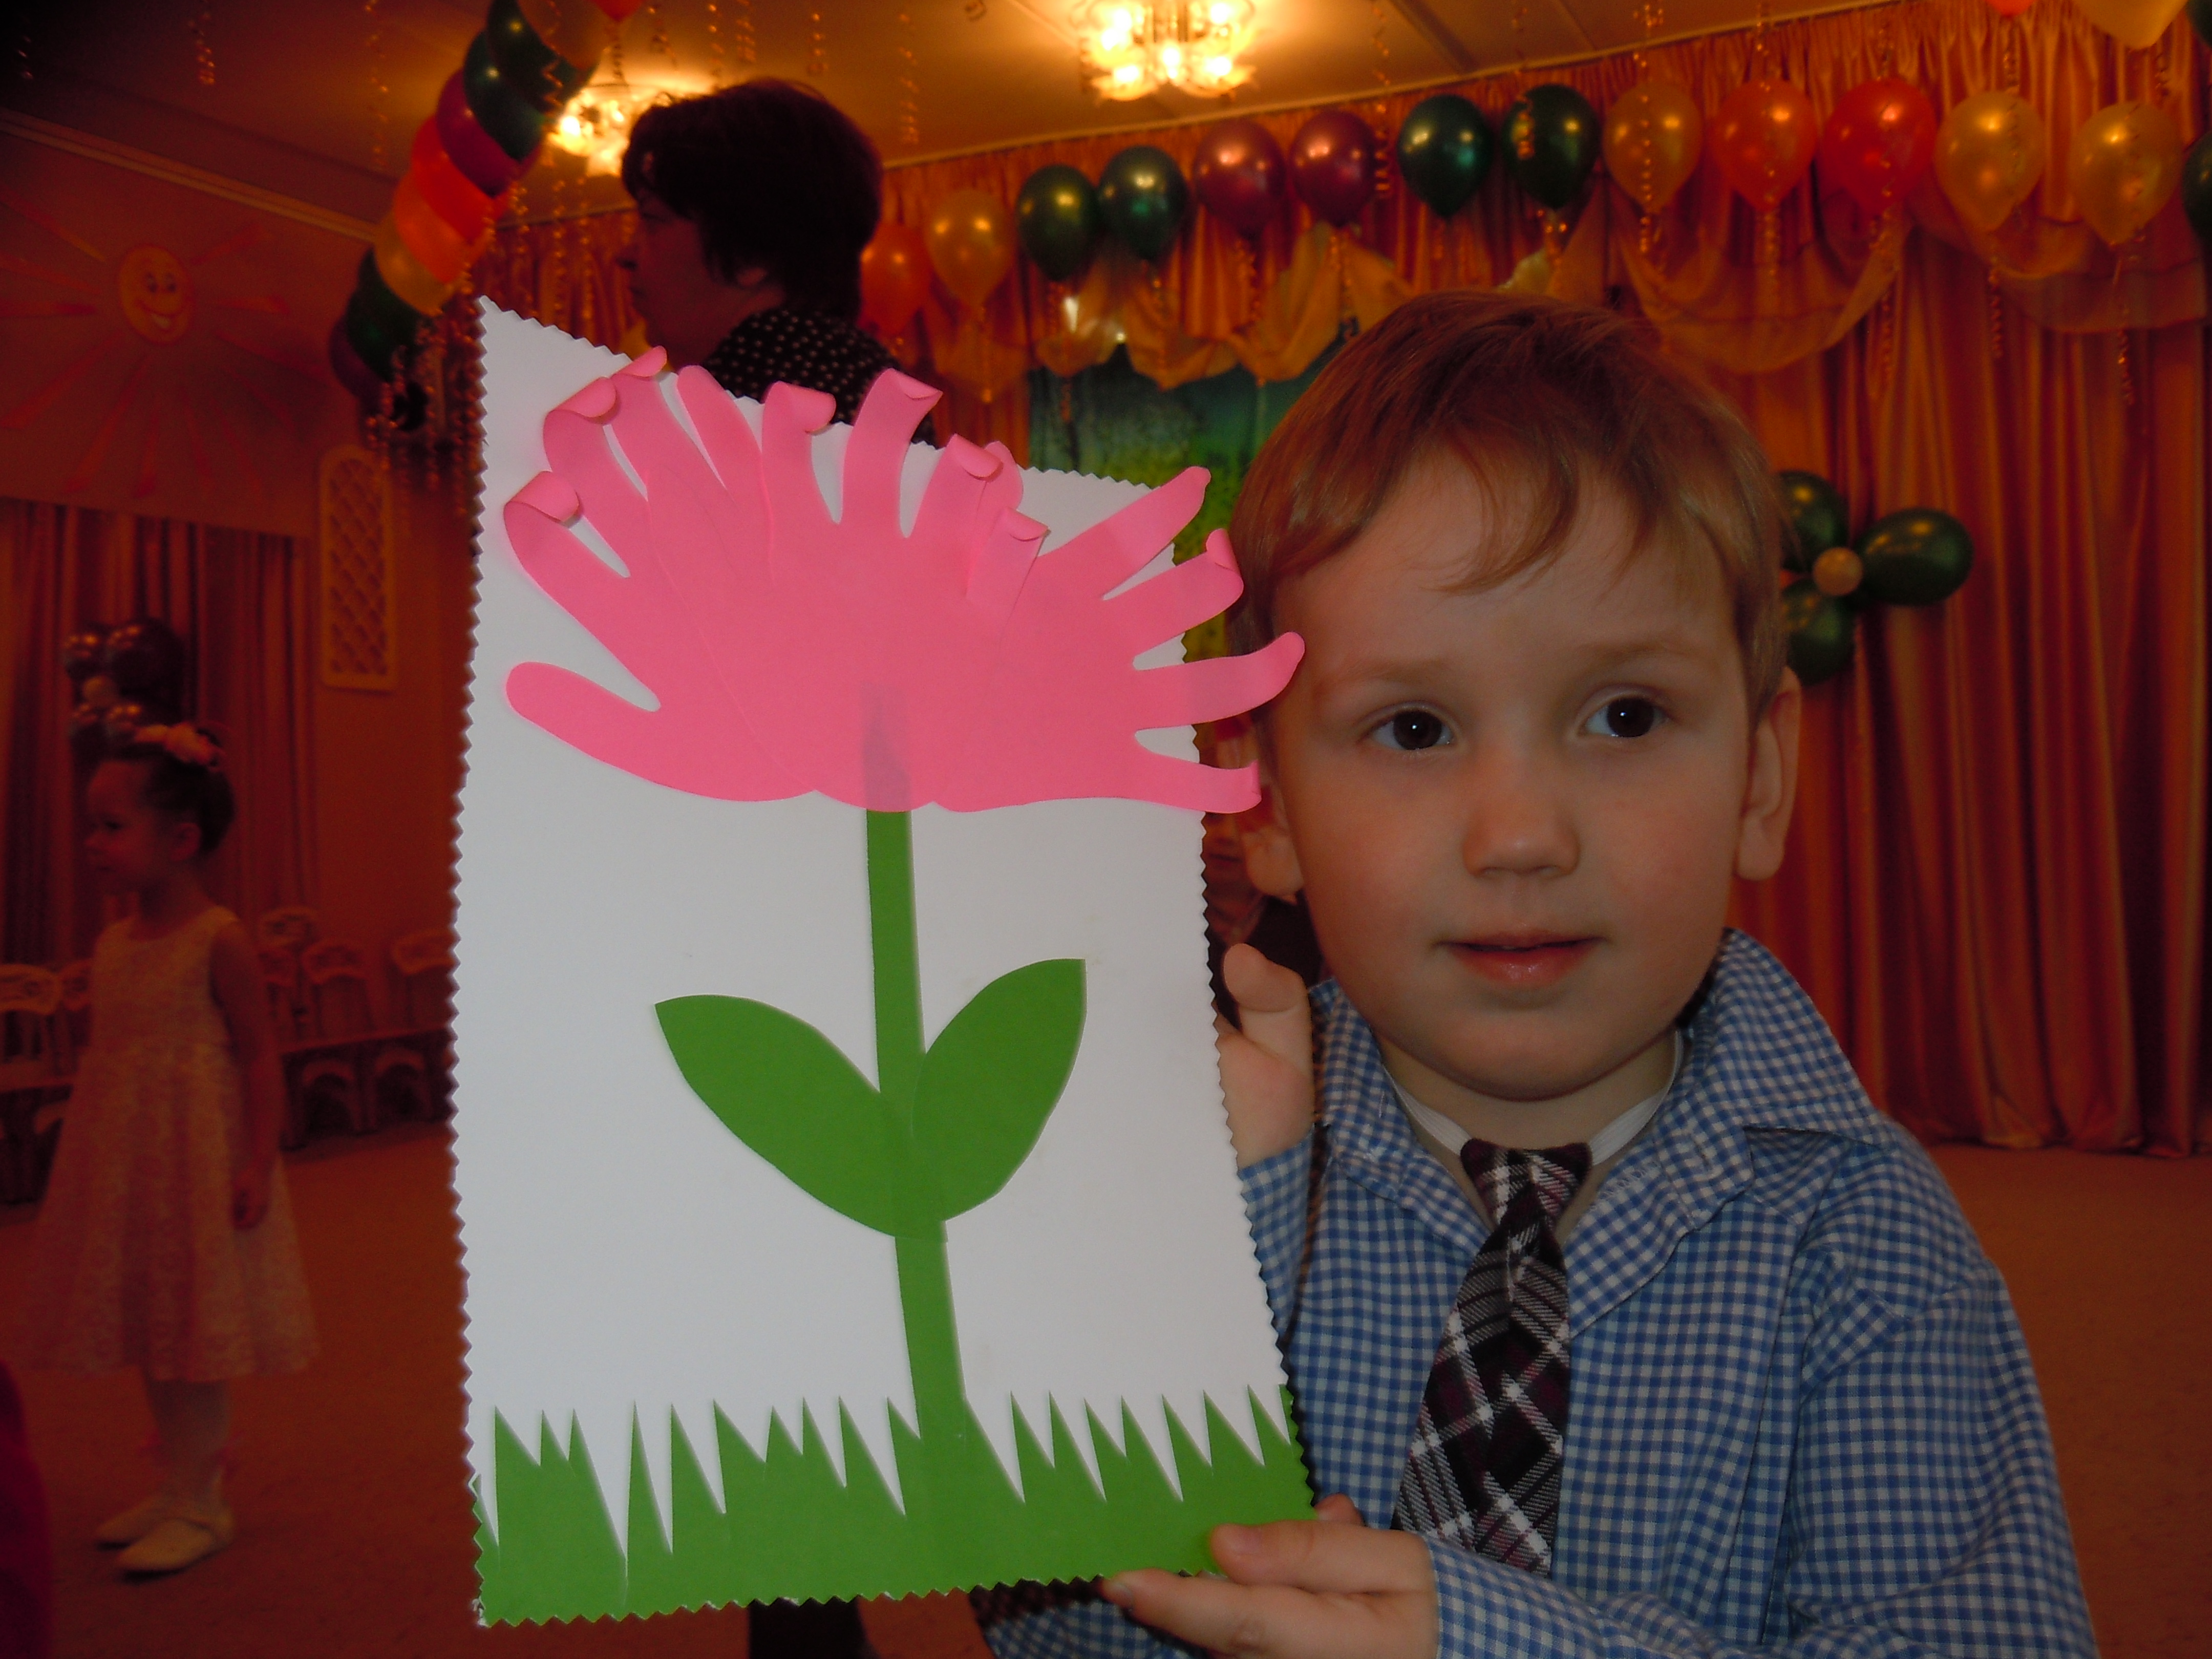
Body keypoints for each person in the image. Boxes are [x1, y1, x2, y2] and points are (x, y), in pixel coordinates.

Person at [981, 292, 2095, 1656]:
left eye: (1624, 716)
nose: (1520, 835)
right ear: (1262, 803)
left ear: (1760, 777)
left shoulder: (1865, 1241)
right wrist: (1222, 1224)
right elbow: (1047, 1622)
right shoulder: (1190, 1169)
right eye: (1413, 728)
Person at [17, 724, 315, 1576]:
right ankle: (176, 1482)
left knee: (194, 1328)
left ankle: (204, 1501)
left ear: (181, 840)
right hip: (129, 1164)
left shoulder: (218, 938)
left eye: (111, 826)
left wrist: (258, 1160)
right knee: (153, 1320)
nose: (92, 843)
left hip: (197, 1162)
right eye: (91, 824)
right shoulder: (113, 944)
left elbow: (259, 1055)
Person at [617, 77, 930, 442]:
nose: (624, 255)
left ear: (752, 253)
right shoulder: (849, 373)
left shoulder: (760, 402)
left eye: (653, 221)